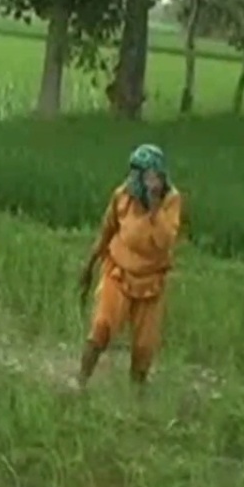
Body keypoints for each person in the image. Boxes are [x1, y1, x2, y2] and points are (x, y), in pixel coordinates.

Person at [77, 144, 184, 388]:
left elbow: (165, 240)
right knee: (102, 325)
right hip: (119, 271)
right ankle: (81, 381)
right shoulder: (122, 196)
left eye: (145, 174)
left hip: (152, 280)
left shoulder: (171, 200)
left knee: (145, 345)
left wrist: (154, 206)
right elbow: (106, 231)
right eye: (135, 173)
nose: (138, 180)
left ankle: (137, 396)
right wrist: (89, 265)